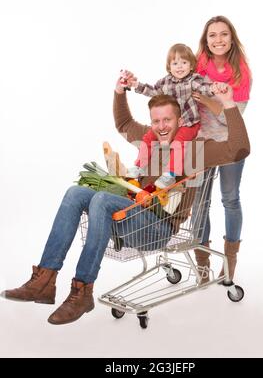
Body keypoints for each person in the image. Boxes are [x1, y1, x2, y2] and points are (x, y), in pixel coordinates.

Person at [1, 73, 250, 325]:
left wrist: (228, 104)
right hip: (131, 215)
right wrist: (120, 92)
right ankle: (44, 279)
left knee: (101, 200)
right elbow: (123, 123)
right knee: (74, 193)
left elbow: (239, 149)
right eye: (156, 121)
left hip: (158, 228)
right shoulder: (150, 141)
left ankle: (82, 290)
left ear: (180, 119)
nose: (161, 126)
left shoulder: (195, 149)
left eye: (167, 120)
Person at [191, 16, 252, 284]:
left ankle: (230, 262)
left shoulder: (242, 73)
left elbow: (231, 118)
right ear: (206, 40)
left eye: (223, 34)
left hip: (229, 144)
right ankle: (202, 263)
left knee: (230, 199)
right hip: (201, 143)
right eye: (212, 35)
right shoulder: (196, 65)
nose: (218, 40)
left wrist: (206, 99)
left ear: (231, 38)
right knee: (199, 203)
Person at [122, 44, 225, 189]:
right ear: (169, 67)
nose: (179, 67)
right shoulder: (165, 82)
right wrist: (135, 84)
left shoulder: (193, 80)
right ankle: (140, 166)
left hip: (188, 124)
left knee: (178, 143)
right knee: (147, 138)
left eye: (184, 62)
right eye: (175, 63)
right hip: (170, 125)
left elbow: (205, 88)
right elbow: (152, 91)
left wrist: (214, 88)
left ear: (191, 66)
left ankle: (170, 173)